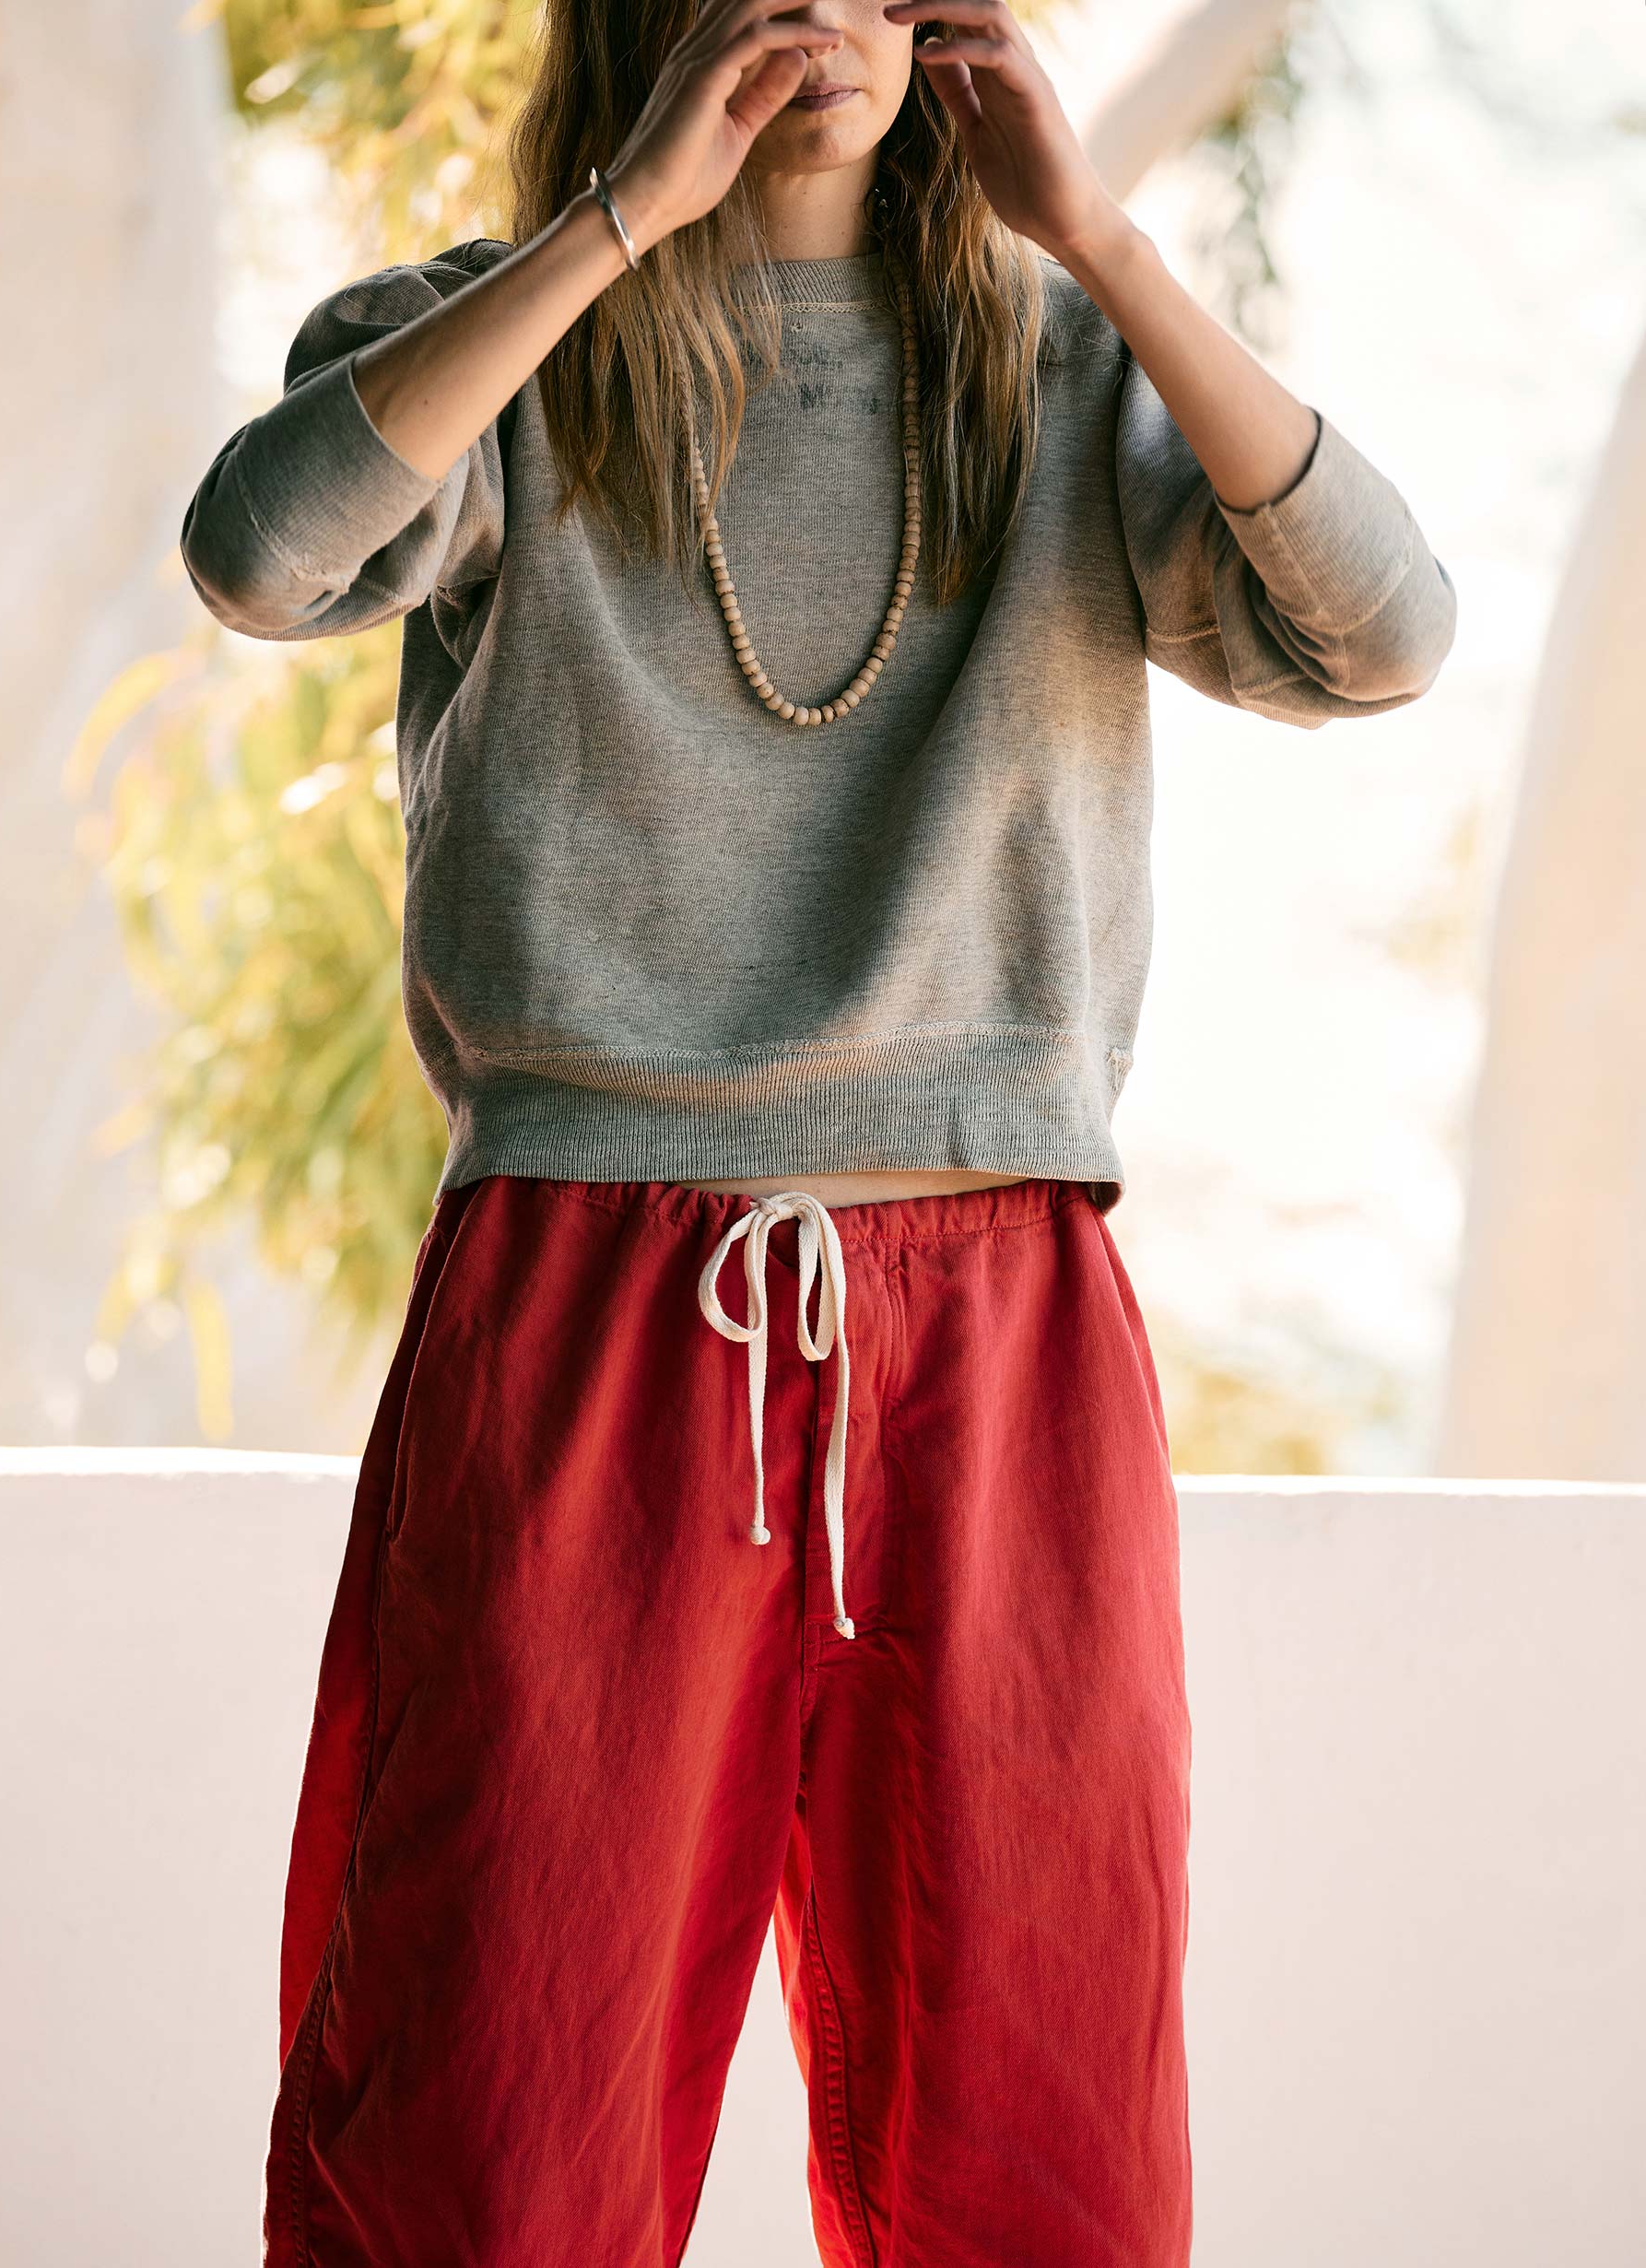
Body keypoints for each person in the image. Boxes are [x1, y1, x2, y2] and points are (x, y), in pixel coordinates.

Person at [181, 4, 1457, 2262]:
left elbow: (1388, 634)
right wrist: (620, 224)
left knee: (1043, 2131)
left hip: (1001, 1311)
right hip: (591, 1291)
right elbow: (258, 556)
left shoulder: (1061, 367)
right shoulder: (492, 338)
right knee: (485, 2126)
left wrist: (1100, 239)